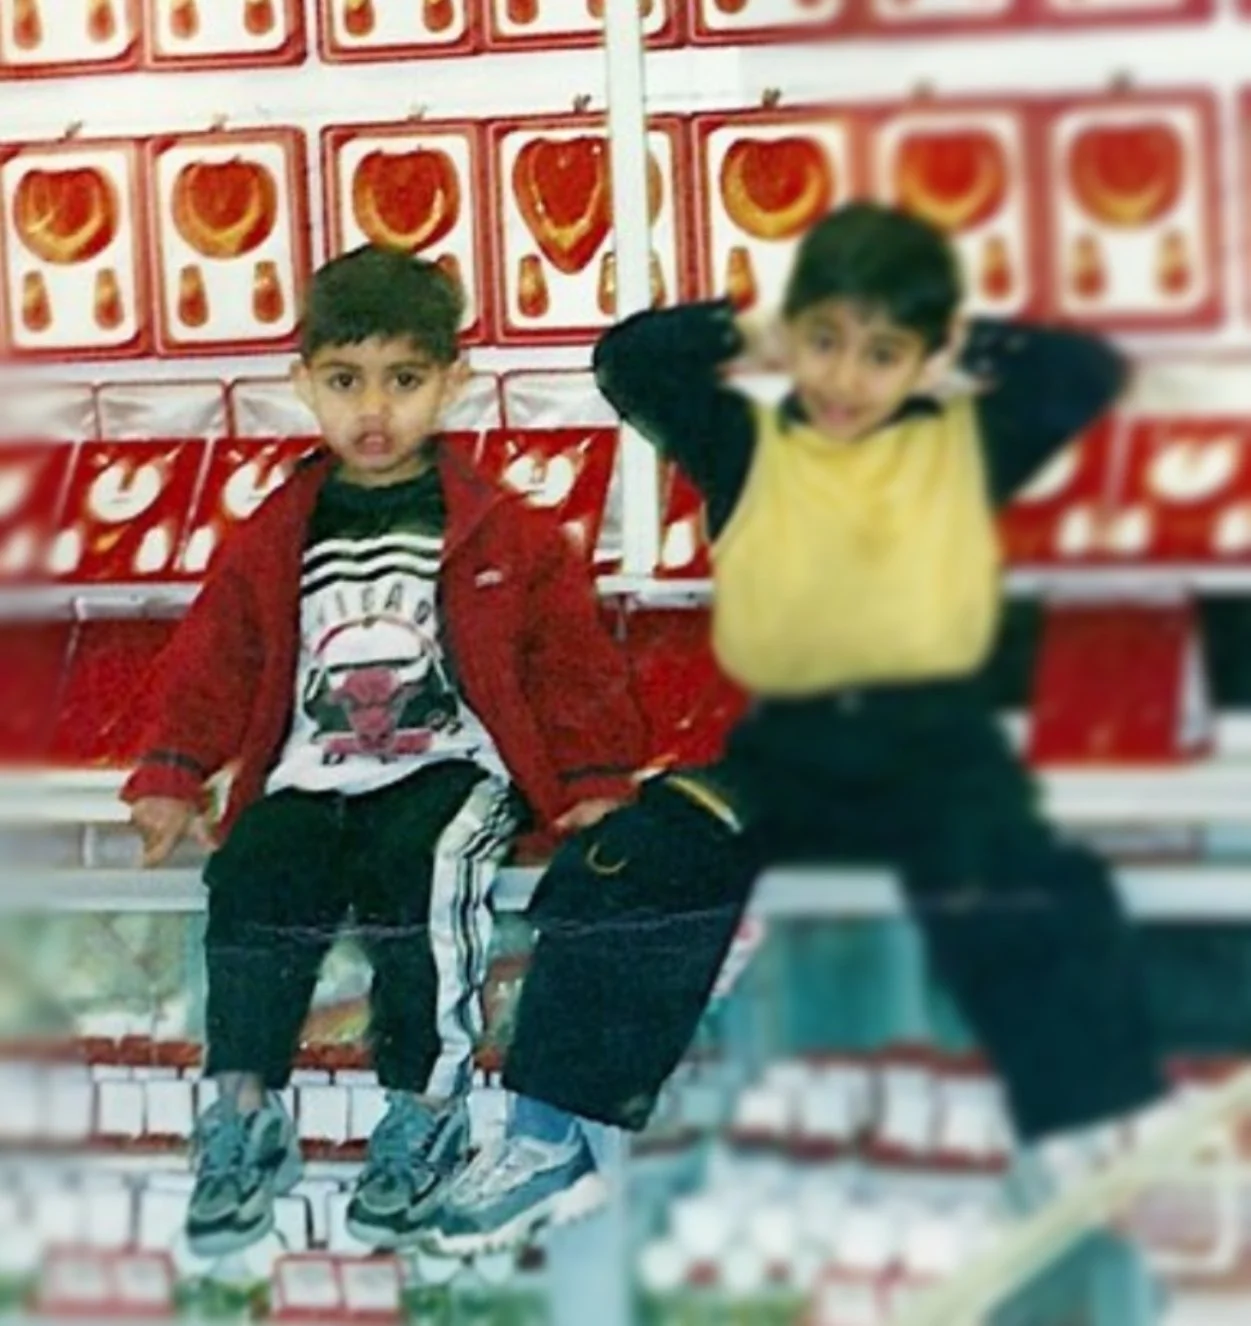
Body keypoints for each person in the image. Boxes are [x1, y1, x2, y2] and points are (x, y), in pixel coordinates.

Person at [421, 201, 1168, 1254]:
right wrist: (774, 326)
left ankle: (1091, 1157)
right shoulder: (752, 450)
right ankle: (547, 1137)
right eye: (829, 344)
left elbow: (1082, 370)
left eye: (882, 351)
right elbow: (633, 357)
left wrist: (933, 323)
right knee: (628, 856)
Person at [122, 245, 646, 1258]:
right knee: (252, 883)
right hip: (312, 778)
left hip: (455, 771)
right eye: (345, 381)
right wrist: (173, 773)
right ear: (303, 384)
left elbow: (571, 665)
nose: (375, 411)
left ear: (454, 381)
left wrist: (592, 782)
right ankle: (242, 1112)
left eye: (405, 381)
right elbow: (214, 659)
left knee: (423, 887)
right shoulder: (279, 531)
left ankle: (424, 1112)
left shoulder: (510, 533)